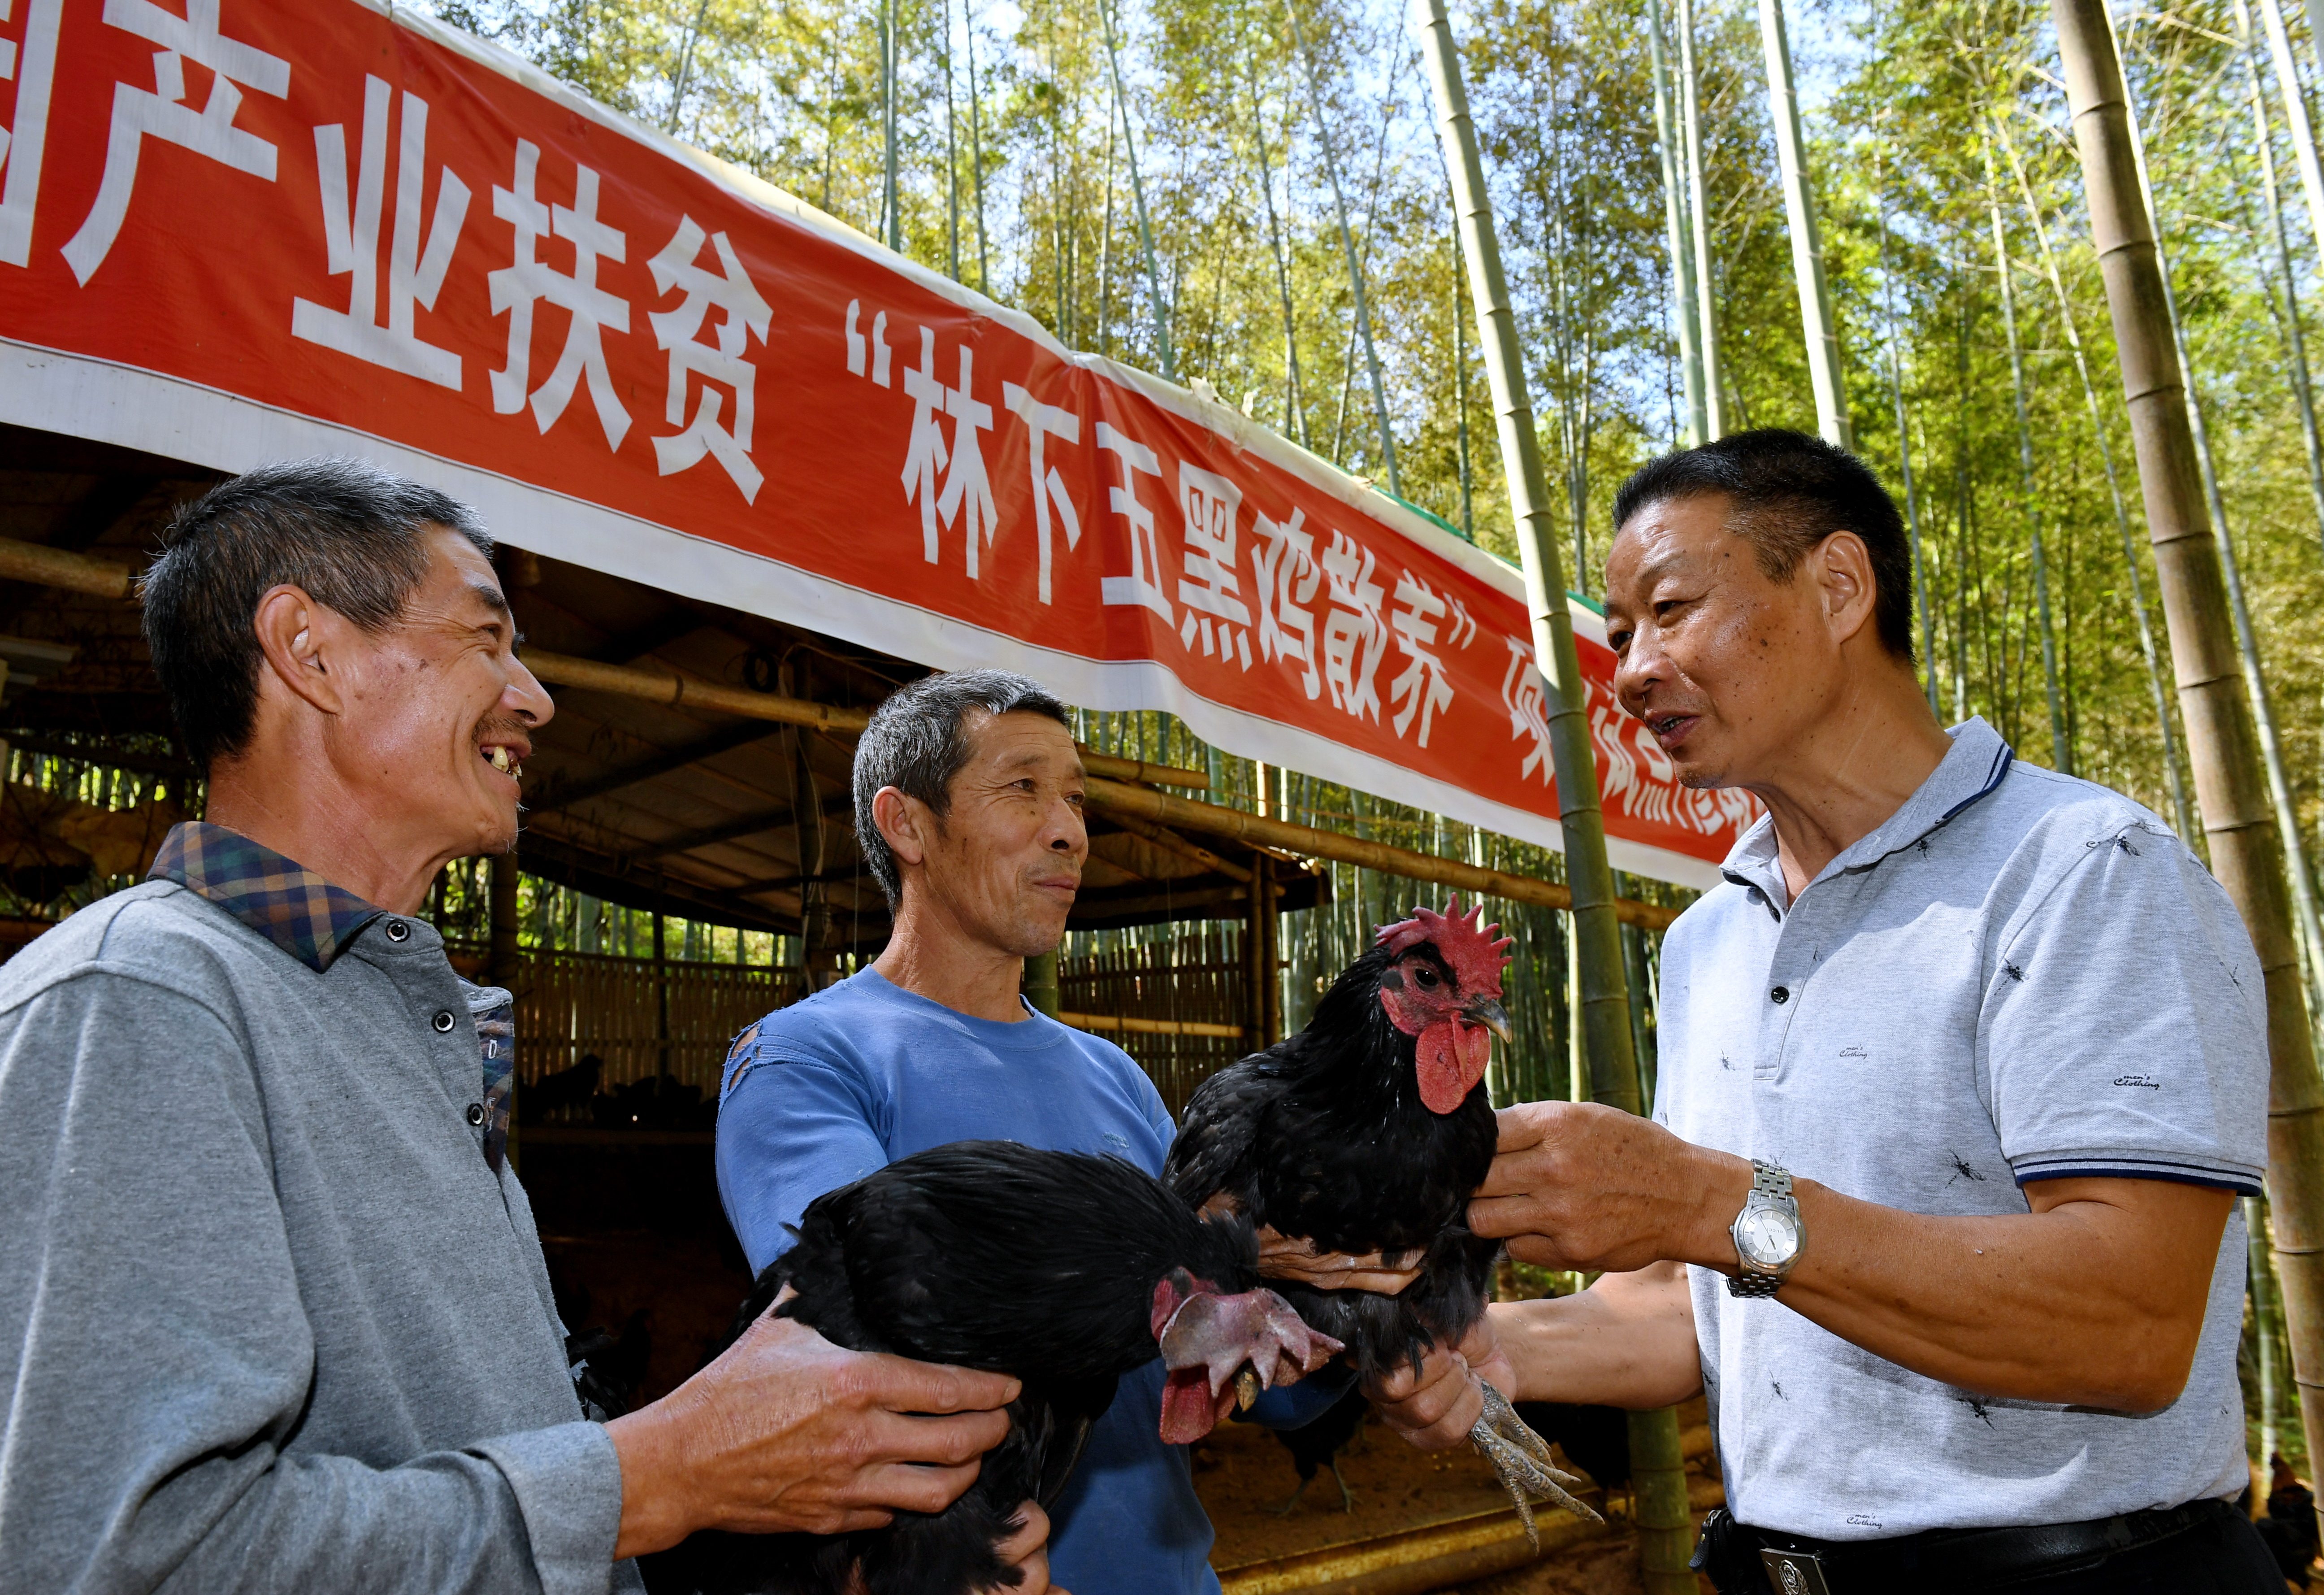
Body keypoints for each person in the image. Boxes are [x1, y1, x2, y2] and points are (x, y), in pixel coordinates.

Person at [0, 459, 1051, 1595]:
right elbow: (122, 1560)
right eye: (484, 639)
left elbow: (478, 1448)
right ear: (311, 654)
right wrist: (653, 1477)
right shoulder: (142, 1003)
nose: (536, 697)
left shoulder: (399, 1019)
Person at [1368, 430, 2282, 1592]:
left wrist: (1705, 1198)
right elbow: (1693, 1308)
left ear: (1840, 586)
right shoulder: (1707, 938)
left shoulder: (2081, 872)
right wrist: (1490, 1347)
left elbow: (2131, 1323)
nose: (1635, 668)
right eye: (1617, 635)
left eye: (1671, 608)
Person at [715, 670, 1401, 1595]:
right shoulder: (806, 1058)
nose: (1070, 829)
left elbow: (1222, 1361)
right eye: (1024, 789)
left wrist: (1322, 1313)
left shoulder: (1112, 1075)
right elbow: (850, 1349)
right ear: (907, 824)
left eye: (1076, 798)